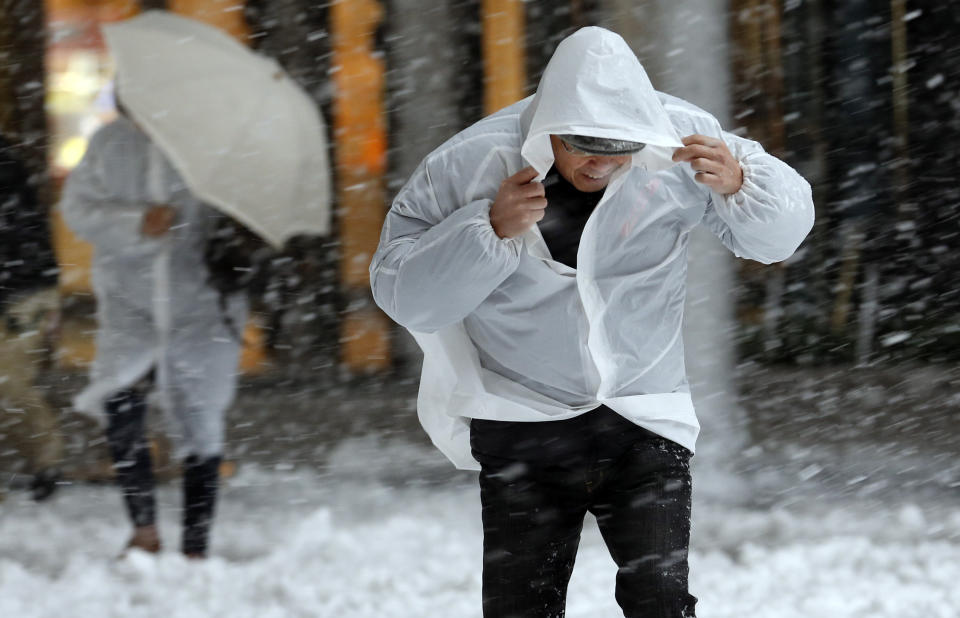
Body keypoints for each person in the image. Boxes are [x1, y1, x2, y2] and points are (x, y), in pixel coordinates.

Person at [370, 27, 814, 618]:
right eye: (582, 144)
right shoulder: (468, 163)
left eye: (620, 148)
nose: (602, 163)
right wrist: (487, 230)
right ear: (550, 124)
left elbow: (780, 237)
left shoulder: (683, 139)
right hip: (523, 420)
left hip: (646, 418)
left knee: (659, 603)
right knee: (520, 609)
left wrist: (741, 184)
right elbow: (402, 293)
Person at [60, 103, 247, 558]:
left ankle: (195, 543)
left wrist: (220, 231)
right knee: (121, 401)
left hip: (202, 304)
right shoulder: (109, 144)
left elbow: (245, 216)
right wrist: (133, 221)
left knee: (201, 420)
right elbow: (76, 208)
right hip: (131, 301)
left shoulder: (213, 148)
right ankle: (143, 528)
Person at [0, 135, 64, 501]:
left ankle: (47, 461)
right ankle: (45, 461)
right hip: (24, 282)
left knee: (10, 382)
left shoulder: (5, 162)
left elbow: (15, 230)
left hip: (22, 289)